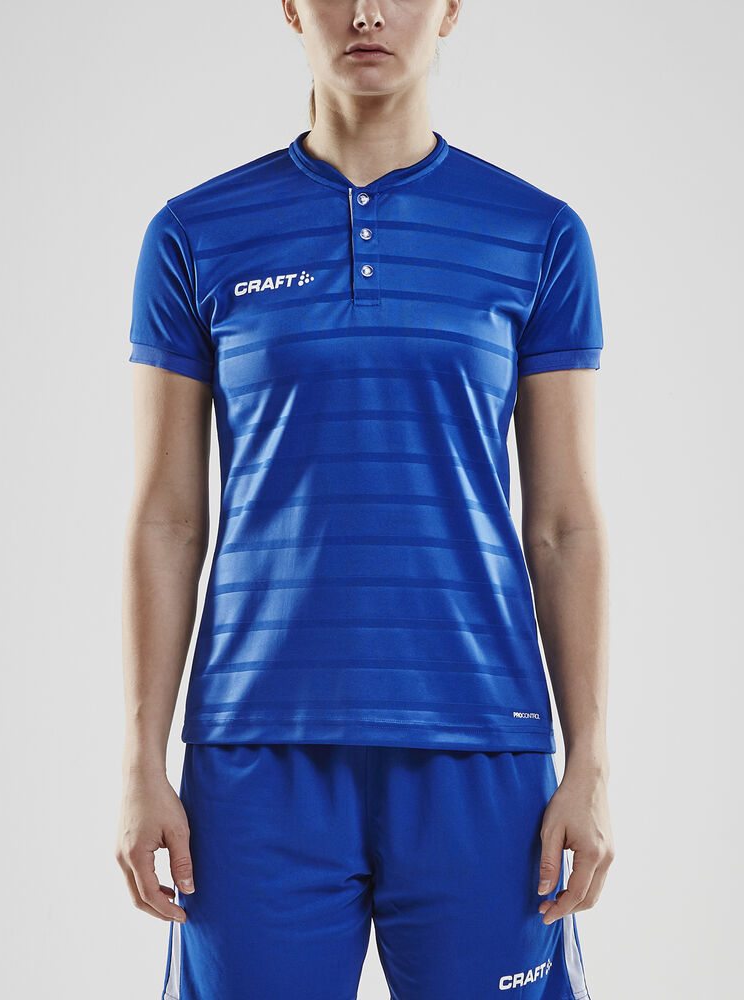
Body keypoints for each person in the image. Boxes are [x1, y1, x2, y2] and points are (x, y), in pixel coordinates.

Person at [115, 2, 615, 998]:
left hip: (483, 742)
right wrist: (139, 761)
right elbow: (167, 519)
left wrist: (591, 761)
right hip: (256, 755)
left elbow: (564, 524)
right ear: (290, 8)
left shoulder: (538, 234)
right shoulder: (194, 233)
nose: (370, 12)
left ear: (453, 9)